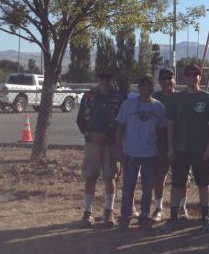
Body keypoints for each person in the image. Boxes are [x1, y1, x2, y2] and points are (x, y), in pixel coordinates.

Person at [162, 64, 209, 234]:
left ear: (200, 77)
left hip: (201, 150)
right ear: (184, 77)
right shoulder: (177, 99)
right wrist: (170, 147)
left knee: (204, 184)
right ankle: (173, 217)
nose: (192, 77)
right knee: (177, 184)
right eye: (188, 74)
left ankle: (205, 217)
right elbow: (171, 124)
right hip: (180, 149)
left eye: (195, 74)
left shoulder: (208, 98)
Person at [115, 74, 167, 230]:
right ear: (138, 87)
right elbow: (120, 127)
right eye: (142, 85)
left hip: (150, 153)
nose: (145, 88)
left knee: (148, 187)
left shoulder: (159, 107)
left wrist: (161, 152)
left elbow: (162, 132)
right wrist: (119, 149)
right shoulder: (128, 104)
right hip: (131, 152)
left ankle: (145, 215)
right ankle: (125, 216)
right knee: (128, 186)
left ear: (153, 88)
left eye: (149, 85)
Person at [76, 68, 123, 228]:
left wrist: (110, 137)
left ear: (111, 80)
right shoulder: (88, 96)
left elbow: (120, 121)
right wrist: (89, 134)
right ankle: (87, 212)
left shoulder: (118, 97)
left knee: (110, 177)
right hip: (92, 143)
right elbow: (80, 119)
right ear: (97, 79)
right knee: (90, 176)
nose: (104, 81)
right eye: (101, 77)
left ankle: (109, 211)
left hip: (110, 143)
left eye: (107, 78)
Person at [152, 67, 177, 222]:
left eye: (169, 78)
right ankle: (159, 208)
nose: (167, 81)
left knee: (181, 178)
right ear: (159, 81)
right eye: (163, 78)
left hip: (179, 142)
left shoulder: (181, 97)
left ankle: (181, 207)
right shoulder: (154, 98)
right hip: (160, 142)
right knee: (159, 177)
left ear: (174, 80)